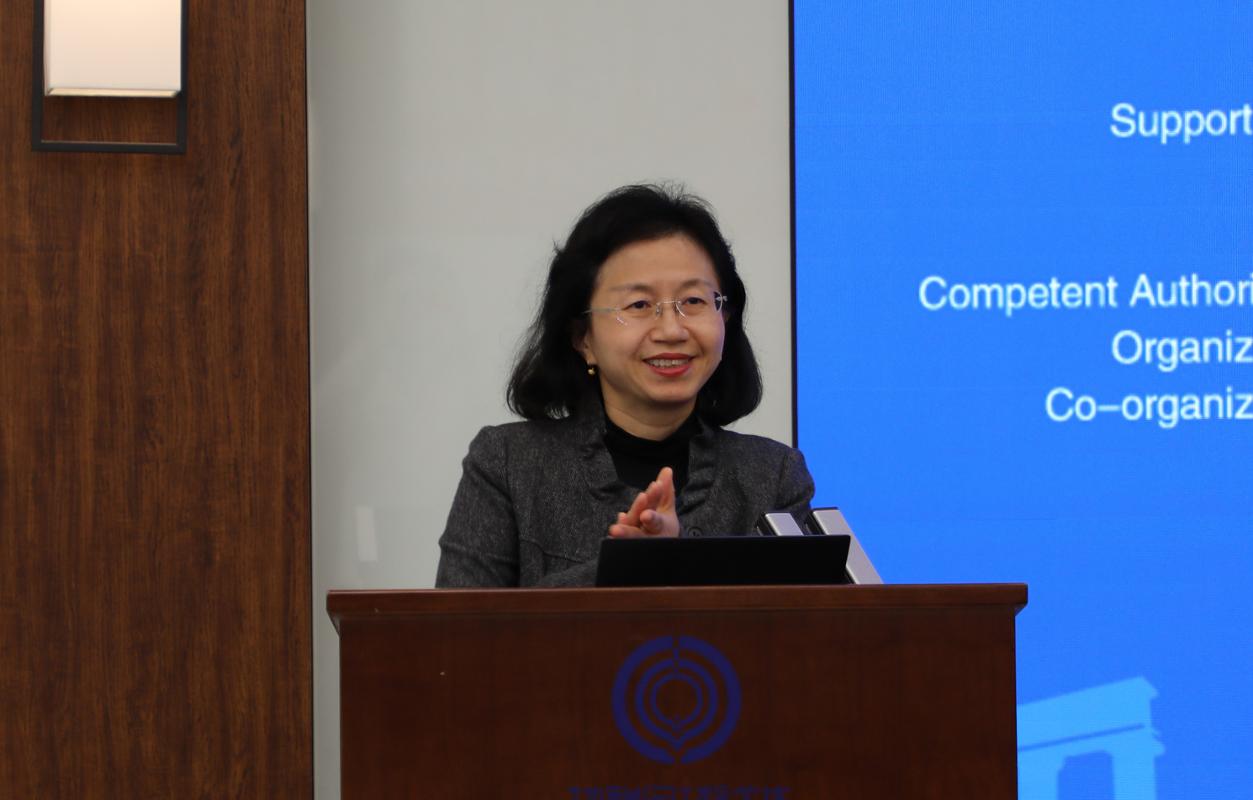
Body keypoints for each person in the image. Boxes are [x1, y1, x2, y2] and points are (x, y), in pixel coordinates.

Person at [435, 184, 814, 587]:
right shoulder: (507, 464)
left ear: (725, 318)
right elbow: (462, 625)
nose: (672, 330)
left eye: (694, 301)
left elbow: (805, 625)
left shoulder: (774, 476)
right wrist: (628, 568)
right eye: (639, 305)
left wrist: (677, 561)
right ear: (583, 337)